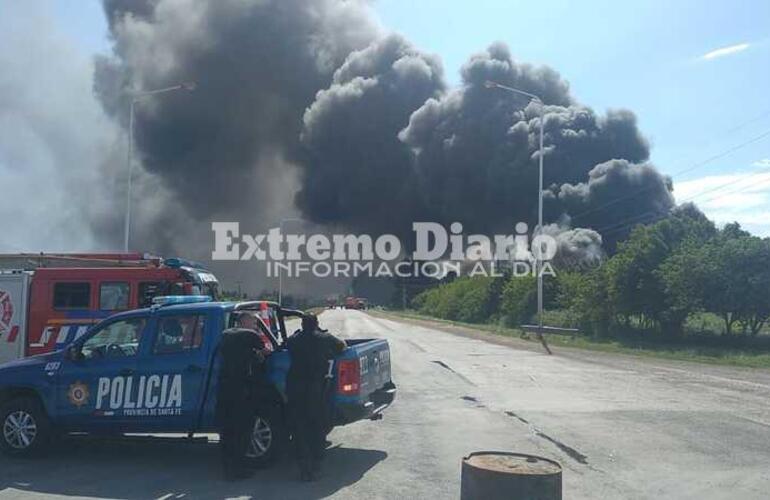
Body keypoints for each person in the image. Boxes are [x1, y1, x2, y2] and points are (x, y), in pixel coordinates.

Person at [286, 313, 346, 481]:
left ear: (302, 324)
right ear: (317, 324)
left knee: (299, 428)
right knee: (317, 426)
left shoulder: (294, 340)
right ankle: (316, 464)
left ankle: (304, 467)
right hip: (316, 390)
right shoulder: (324, 338)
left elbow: (285, 345)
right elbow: (342, 347)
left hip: (295, 389)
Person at [216, 314, 271, 480]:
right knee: (242, 429)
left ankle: (228, 467)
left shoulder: (226, 334)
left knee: (227, 431)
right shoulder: (250, 335)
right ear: (244, 322)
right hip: (242, 390)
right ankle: (238, 469)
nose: (255, 325)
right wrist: (259, 354)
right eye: (253, 322)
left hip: (224, 389)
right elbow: (266, 351)